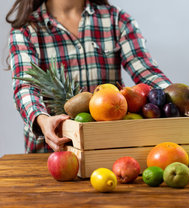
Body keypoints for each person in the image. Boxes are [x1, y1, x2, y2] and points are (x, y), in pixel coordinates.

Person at [6, 0, 171, 153]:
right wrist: (41, 119)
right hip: (50, 153)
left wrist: (171, 95)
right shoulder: (26, 30)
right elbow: (25, 86)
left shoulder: (117, 20)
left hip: (108, 148)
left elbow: (145, 69)